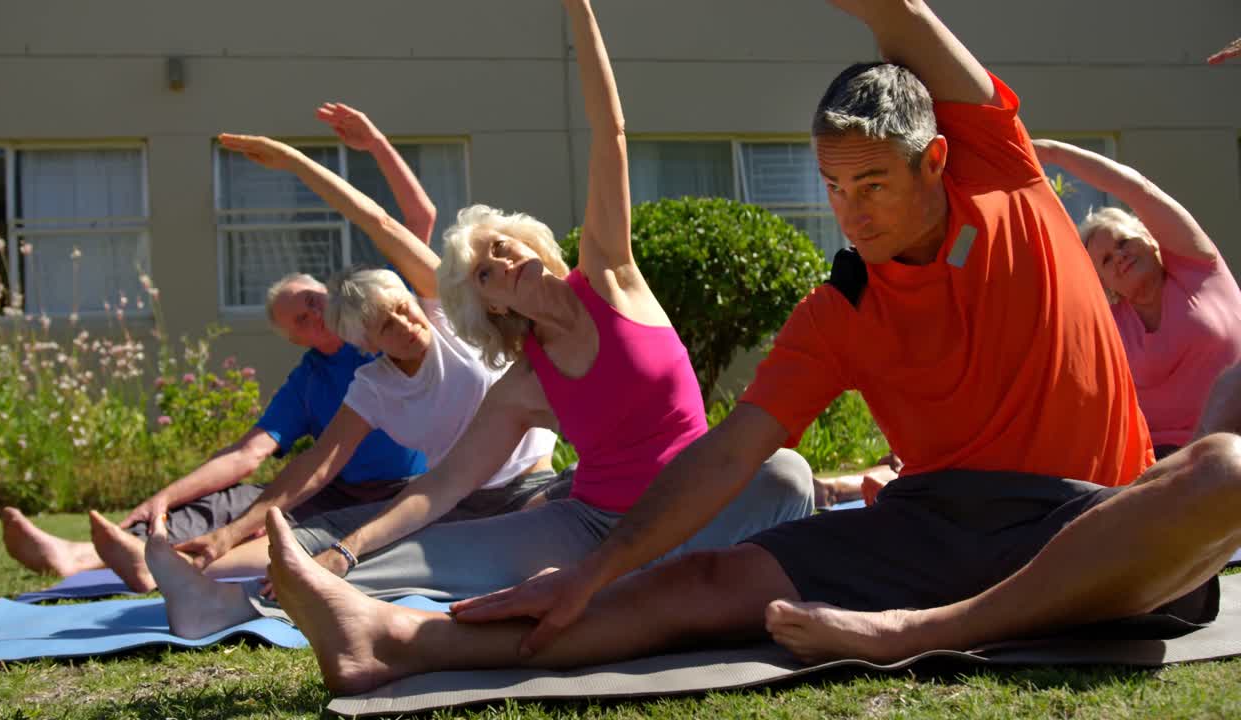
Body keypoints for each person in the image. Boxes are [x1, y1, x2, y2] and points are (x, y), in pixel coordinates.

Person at [250, 0, 1238, 696]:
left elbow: (890, 9)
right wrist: (591, 573)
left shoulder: (1005, 180)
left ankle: (923, 637)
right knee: (701, 582)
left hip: (1085, 526)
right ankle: (392, 642)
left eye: (871, 186)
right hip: (935, 523)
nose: (846, 213)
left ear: (936, 159)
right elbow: (728, 452)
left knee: (1222, 471)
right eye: (831, 187)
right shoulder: (838, 308)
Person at [144, 0, 814, 642]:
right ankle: (228, 603)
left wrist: (578, 9)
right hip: (592, 527)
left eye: (503, 243)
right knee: (428, 548)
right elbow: (441, 487)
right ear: (490, 305)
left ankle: (680, 582)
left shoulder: (612, 274)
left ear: (530, 240)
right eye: (486, 271)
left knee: (788, 475)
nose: (502, 259)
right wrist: (346, 553)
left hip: (692, 508)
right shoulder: (525, 382)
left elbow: (608, 129)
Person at [95, 106, 561, 594]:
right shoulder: (372, 384)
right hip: (452, 500)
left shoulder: (449, 316)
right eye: (387, 324)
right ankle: (177, 570)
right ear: (366, 344)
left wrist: (297, 163)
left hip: (525, 489)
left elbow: (382, 221)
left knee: (517, 529)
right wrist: (231, 533)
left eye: (404, 307)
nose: (407, 323)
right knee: (320, 539)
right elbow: (316, 466)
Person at [1, 268, 426, 592]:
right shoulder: (307, 380)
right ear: (294, 338)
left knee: (279, 527)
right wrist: (165, 496)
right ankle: (78, 556)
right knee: (225, 501)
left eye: (314, 301)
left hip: (395, 490)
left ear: (329, 295)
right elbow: (248, 453)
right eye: (299, 319)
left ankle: (166, 566)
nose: (313, 315)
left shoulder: (377, 340)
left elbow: (414, 230)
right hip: (332, 485)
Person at [1032, 139, 1241, 459]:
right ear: (1104, 282)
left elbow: (1136, 189)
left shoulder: (1198, 268)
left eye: (1123, 241)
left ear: (1150, 240)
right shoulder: (1109, 323)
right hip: (1164, 464)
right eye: (1105, 260)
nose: (1118, 256)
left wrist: (1052, 154)